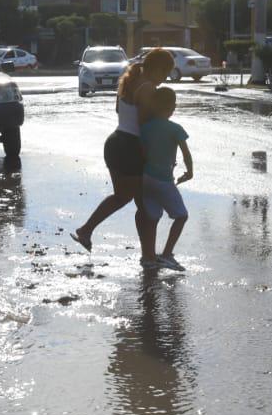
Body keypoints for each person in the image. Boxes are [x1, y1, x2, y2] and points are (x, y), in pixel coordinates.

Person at [71, 47, 174, 266]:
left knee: (123, 198)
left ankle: (86, 230)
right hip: (132, 148)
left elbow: (121, 113)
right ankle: (148, 257)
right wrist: (156, 156)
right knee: (146, 205)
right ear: (156, 68)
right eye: (165, 73)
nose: (164, 79)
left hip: (116, 142)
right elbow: (146, 127)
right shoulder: (147, 88)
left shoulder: (128, 81)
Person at [138, 87, 192, 271]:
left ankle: (149, 257)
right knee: (181, 216)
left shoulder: (144, 128)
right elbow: (186, 153)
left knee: (152, 217)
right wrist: (189, 171)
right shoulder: (175, 129)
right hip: (163, 180)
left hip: (145, 178)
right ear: (173, 107)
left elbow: (140, 152)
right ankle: (167, 254)